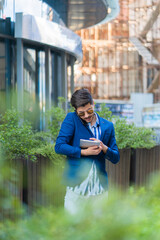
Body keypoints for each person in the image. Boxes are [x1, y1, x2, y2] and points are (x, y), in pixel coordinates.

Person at [55, 88, 120, 214]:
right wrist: (83, 152)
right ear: (76, 111)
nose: (86, 116)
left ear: (93, 103)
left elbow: (116, 157)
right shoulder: (71, 119)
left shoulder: (108, 126)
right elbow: (59, 146)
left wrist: (104, 148)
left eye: (89, 111)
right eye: (81, 113)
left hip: (99, 192)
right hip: (76, 190)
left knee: (97, 231)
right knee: (72, 229)